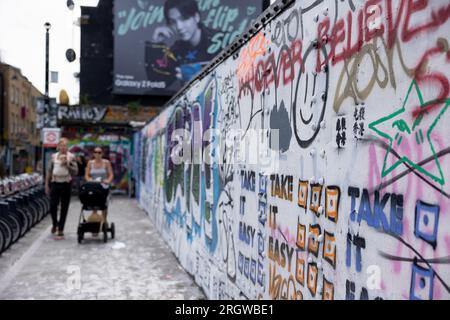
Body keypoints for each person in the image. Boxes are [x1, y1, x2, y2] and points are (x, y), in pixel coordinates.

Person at [148, 0, 216, 85]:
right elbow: (157, 82)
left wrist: (199, 79)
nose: (179, 27)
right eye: (173, 22)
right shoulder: (177, 49)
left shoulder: (220, 40)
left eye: (184, 19)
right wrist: (155, 43)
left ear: (196, 17)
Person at [45, 138, 78, 239]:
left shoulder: (71, 156)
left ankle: (61, 229)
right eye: (61, 145)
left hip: (66, 184)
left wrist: (67, 164)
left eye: (65, 145)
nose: (63, 147)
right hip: (55, 183)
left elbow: (75, 171)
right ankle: (55, 223)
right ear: (58, 146)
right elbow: (49, 171)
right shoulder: (53, 156)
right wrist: (46, 184)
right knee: (52, 206)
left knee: (64, 207)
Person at [85, 147, 114, 229]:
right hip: (93, 186)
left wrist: (108, 180)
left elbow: (111, 174)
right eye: (96, 152)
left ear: (102, 154)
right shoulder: (90, 163)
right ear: (93, 154)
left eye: (99, 152)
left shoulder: (106, 162)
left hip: (103, 186)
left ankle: (104, 220)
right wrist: (89, 180)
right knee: (94, 203)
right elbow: (86, 175)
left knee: (103, 204)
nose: (97, 154)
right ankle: (95, 220)